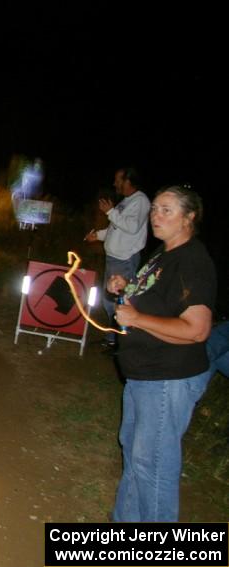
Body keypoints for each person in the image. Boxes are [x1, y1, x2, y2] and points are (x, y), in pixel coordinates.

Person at [107, 185, 216, 522]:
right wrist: (126, 289)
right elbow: (159, 298)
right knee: (136, 458)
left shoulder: (193, 261)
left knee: (152, 467)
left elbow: (197, 329)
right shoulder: (163, 254)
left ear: (189, 217)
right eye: (154, 208)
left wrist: (138, 318)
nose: (156, 215)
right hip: (144, 375)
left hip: (169, 379)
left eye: (166, 210)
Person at [85, 167, 150, 346]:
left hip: (125, 260)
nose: (115, 183)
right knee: (108, 301)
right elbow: (116, 229)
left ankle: (122, 342)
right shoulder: (127, 202)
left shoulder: (141, 201)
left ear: (128, 181)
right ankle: (113, 338)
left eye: (118, 179)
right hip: (114, 258)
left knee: (120, 302)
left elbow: (132, 227)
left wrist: (110, 212)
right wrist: (97, 236)